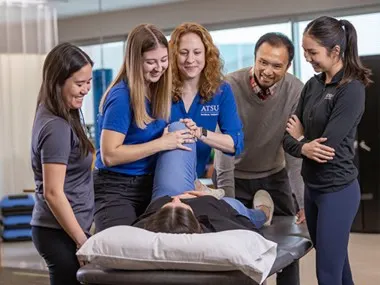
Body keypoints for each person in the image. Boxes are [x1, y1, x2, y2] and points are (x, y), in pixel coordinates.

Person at [283, 16, 371, 285]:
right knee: (338, 266)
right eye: (305, 51)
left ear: (335, 51)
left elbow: (326, 148)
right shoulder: (312, 85)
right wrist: (302, 144)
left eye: (313, 52)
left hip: (338, 191)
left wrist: (301, 140)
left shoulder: (352, 89)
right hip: (313, 188)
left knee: (327, 273)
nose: (308, 58)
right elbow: (287, 138)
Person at [213, 32, 305, 285]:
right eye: (262, 61)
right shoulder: (229, 86)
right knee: (241, 245)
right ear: (254, 58)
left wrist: (302, 200)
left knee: (289, 242)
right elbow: (223, 153)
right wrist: (228, 201)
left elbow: (294, 152)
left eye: (277, 65)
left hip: (274, 173)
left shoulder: (295, 90)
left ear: (287, 66)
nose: (267, 70)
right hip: (235, 174)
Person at [93, 24, 194, 232]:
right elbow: (110, 155)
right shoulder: (122, 97)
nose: (159, 67)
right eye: (151, 62)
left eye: (164, 60)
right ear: (135, 61)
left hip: (150, 184)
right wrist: (160, 143)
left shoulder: (156, 89)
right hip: (116, 188)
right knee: (124, 250)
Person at [134, 121, 274, 233]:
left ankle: (194, 183)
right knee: (247, 213)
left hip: (167, 196)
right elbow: (249, 231)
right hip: (214, 204)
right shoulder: (220, 224)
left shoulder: (142, 227)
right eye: (180, 205)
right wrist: (209, 199)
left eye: (170, 205)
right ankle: (264, 213)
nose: (176, 198)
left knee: (180, 128)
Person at [30, 43, 95, 285]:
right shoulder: (56, 126)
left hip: (62, 230)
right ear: (58, 82)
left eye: (88, 82)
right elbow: (53, 192)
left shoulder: (59, 113)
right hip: (59, 233)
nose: (86, 89)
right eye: (80, 84)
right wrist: (81, 239)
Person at [169, 22, 244, 178]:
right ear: (173, 55)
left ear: (206, 54)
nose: (190, 59)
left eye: (197, 52)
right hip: (155, 178)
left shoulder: (221, 90)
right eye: (183, 52)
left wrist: (200, 133)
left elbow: (234, 144)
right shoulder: (161, 89)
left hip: (194, 180)